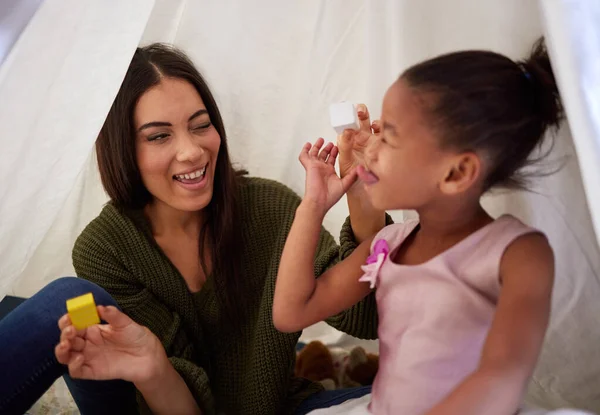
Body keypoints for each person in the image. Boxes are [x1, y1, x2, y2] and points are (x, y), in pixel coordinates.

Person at [0, 44, 387, 415]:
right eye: (159, 135)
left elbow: (363, 319)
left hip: (278, 405)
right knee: (64, 300)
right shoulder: (107, 248)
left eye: (201, 126)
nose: (192, 151)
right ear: (122, 149)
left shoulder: (270, 208)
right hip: (159, 404)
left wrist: (363, 191)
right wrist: (153, 366)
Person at [273, 38, 564, 415]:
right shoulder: (388, 244)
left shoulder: (518, 254)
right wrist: (312, 205)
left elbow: (501, 377)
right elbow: (291, 312)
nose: (370, 146)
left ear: (457, 172)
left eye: (389, 137)